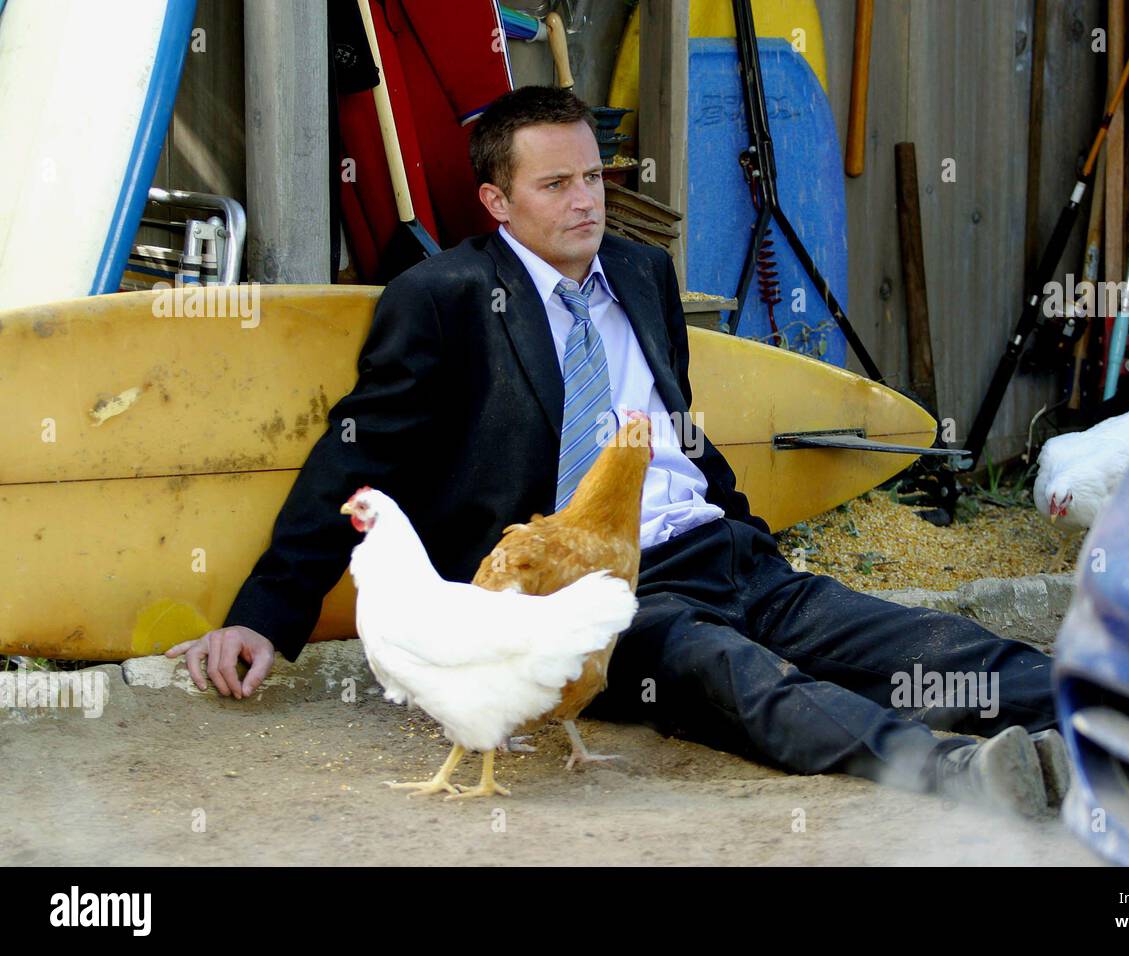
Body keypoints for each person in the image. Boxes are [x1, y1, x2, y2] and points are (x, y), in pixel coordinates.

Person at [168, 86, 1067, 817]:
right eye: (555, 184)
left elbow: (678, 424)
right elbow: (357, 456)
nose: (587, 200)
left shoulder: (642, 275)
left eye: (595, 176)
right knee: (735, 679)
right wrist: (265, 614)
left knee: (900, 637)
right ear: (496, 200)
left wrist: (740, 522)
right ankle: (958, 771)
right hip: (585, 592)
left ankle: (1114, 707)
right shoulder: (442, 298)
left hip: (716, 549)